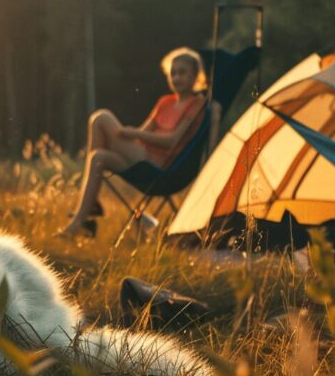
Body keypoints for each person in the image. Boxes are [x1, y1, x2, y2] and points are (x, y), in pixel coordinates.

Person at [59, 47, 221, 237]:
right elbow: (142, 132)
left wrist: (134, 134)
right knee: (97, 156)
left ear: (196, 76)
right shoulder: (165, 102)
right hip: (140, 157)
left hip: (159, 166)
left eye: (182, 72)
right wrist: (131, 134)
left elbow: (172, 141)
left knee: (101, 118)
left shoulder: (197, 105)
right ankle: (80, 223)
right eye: (173, 73)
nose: (176, 78)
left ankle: (90, 208)